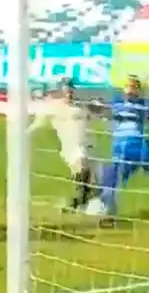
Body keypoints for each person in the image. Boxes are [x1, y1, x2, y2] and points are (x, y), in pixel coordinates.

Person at [86, 76, 149, 224]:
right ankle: (108, 212)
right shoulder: (116, 104)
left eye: (134, 87)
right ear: (123, 89)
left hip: (140, 146)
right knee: (110, 177)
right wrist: (96, 107)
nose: (130, 90)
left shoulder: (145, 105)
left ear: (139, 90)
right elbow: (96, 107)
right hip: (121, 149)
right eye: (128, 87)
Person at [26, 78, 96, 212]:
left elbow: (89, 126)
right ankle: (80, 201)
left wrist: (92, 142)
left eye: (71, 91)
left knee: (84, 173)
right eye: (66, 92)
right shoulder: (54, 109)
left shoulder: (81, 108)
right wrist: (26, 134)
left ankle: (80, 202)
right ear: (61, 92)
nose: (69, 94)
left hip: (86, 147)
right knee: (81, 171)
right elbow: (39, 124)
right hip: (68, 148)